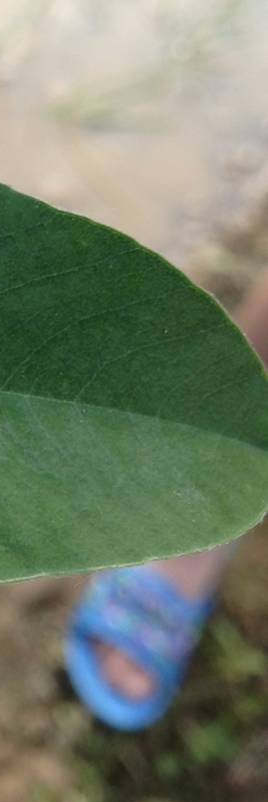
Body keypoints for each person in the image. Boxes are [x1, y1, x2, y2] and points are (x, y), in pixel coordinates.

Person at [66, 274, 268, 731]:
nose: (127, 673)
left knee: (239, 371)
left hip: (174, 532)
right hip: (184, 542)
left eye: (115, 668)